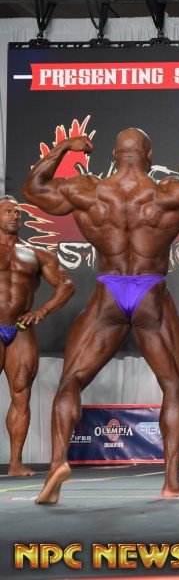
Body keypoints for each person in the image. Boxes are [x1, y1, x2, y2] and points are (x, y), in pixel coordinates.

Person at [23, 125, 179, 504]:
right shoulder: (168, 192)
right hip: (150, 292)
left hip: (109, 291)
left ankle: (58, 463)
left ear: (114, 156)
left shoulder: (88, 191)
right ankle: (171, 481)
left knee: (70, 382)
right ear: (149, 157)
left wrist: (63, 148)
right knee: (173, 385)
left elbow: (33, 189)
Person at [0, 196, 74, 476]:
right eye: (8, 211)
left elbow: (66, 284)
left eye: (17, 212)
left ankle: (15, 463)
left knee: (21, 394)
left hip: (20, 329)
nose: (14, 216)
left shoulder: (36, 253)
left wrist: (43, 310)